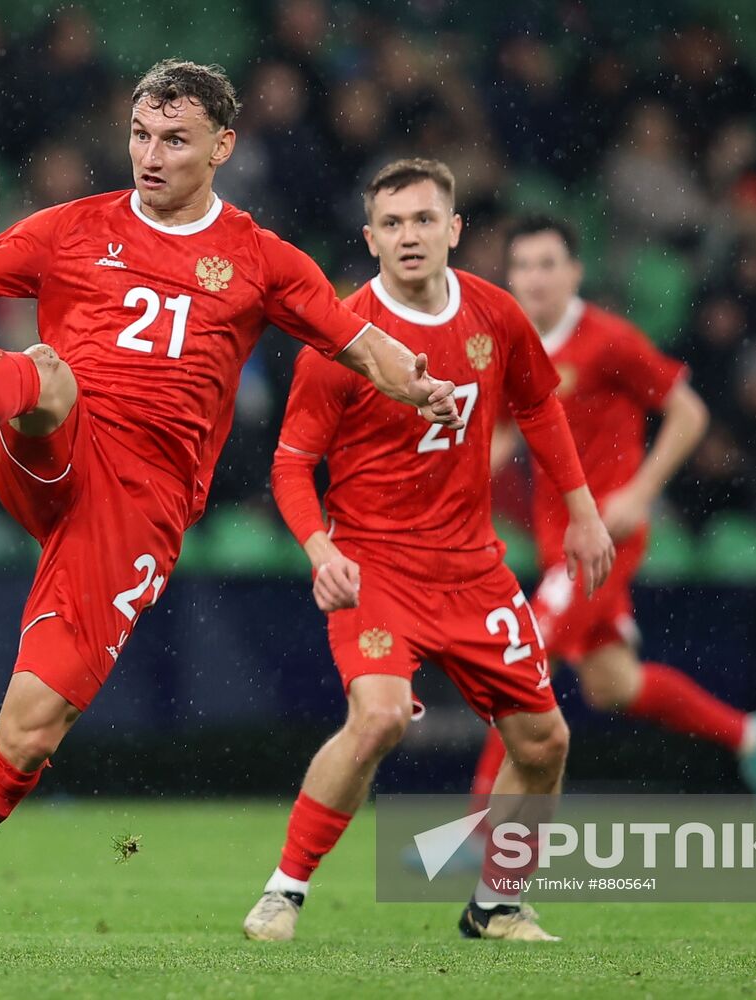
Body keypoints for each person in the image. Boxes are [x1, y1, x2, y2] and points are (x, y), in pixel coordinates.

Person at [0, 60, 462, 963]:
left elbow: (362, 346)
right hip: (53, 448)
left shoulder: (262, 261)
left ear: (222, 147)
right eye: (139, 135)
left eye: (174, 140)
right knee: (50, 372)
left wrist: (421, 387)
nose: (149, 156)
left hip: (136, 516)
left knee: (28, 737)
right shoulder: (72, 230)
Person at [241, 160, 614, 944]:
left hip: (473, 568)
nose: (408, 235)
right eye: (392, 223)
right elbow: (288, 463)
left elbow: (539, 406)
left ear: (453, 230)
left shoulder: (493, 314)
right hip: (374, 564)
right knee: (378, 719)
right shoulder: (339, 339)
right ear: (369, 238)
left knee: (544, 741)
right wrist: (319, 549)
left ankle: (496, 905)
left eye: (422, 220)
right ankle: (284, 892)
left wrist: (581, 510)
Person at [474, 215, 756, 812]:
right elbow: (501, 440)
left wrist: (640, 493)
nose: (535, 278)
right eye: (523, 266)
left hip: (604, 539)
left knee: (520, 657)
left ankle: (476, 824)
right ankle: (749, 736)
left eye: (548, 264)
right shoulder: (510, 345)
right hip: (557, 542)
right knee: (612, 683)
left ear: (575, 272)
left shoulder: (608, 340)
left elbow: (689, 413)